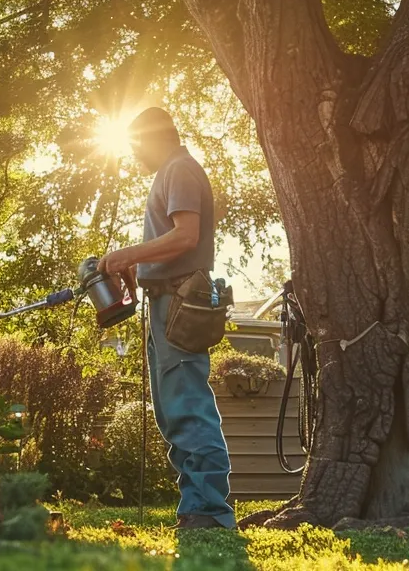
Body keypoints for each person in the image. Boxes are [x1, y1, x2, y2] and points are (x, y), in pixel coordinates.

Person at [98, 107, 233, 530]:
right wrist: (143, 269)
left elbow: (186, 236)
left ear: (152, 138)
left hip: (179, 302)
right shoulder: (173, 171)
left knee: (188, 405)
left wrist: (128, 255)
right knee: (173, 409)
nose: (136, 157)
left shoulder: (180, 169)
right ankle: (195, 505)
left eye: (135, 147)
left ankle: (210, 511)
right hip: (165, 299)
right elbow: (175, 243)